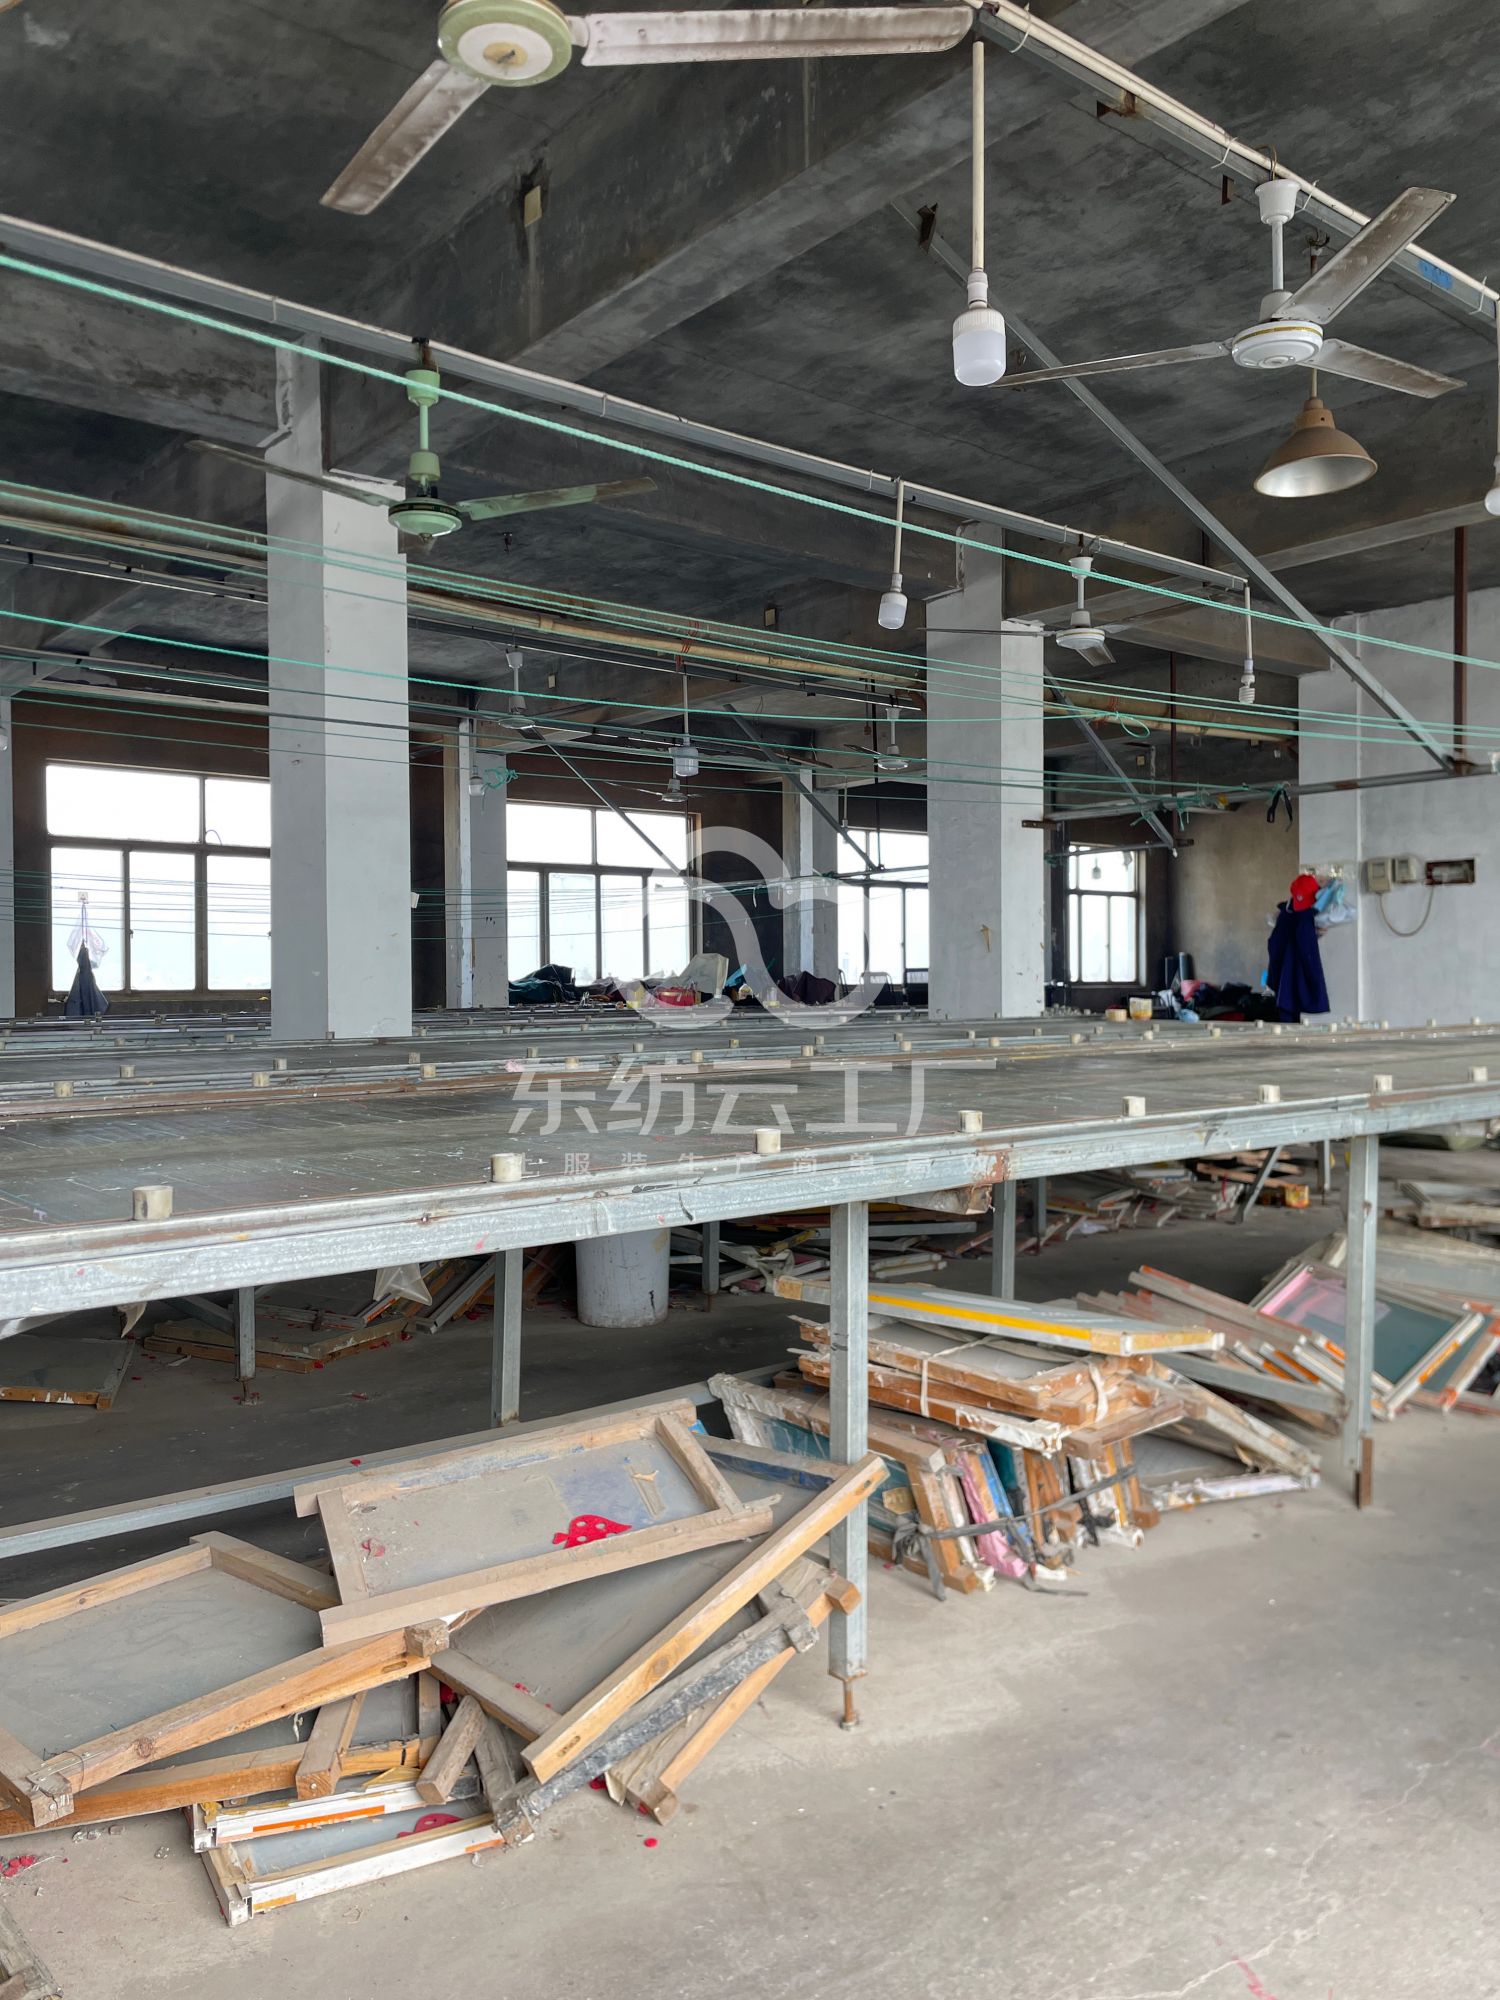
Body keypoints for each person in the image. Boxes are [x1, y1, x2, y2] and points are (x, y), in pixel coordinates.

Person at [1265, 872, 1328, 1022]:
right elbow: (1305, 949)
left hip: (1283, 980)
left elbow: (1274, 946)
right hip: (1293, 977)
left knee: (1287, 1016)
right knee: (1291, 1021)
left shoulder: (1284, 914)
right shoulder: (1305, 918)